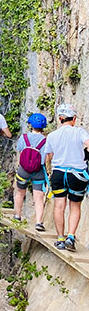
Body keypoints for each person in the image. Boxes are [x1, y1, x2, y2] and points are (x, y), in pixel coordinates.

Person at [45, 104, 89, 252]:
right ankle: (70, 236)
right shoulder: (79, 132)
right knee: (75, 206)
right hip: (76, 174)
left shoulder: (51, 136)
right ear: (74, 119)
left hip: (58, 173)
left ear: (60, 119)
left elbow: (49, 157)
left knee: (59, 205)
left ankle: (60, 239)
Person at [13, 112, 49, 230]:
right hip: (38, 171)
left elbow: (20, 153)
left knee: (20, 192)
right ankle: (39, 222)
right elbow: (46, 159)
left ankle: (17, 216)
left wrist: (20, 166)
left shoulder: (24, 138)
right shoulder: (45, 141)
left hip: (23, 170)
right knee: (38, 197)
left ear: (30, 125)